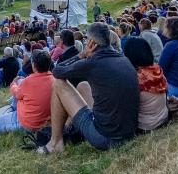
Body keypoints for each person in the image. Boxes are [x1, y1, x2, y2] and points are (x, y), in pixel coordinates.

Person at [39, 22, 139, 154]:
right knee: (83, 85)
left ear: (91, 42)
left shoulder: (93, 62)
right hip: (128, 133)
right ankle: (68, 128)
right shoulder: (123, 59)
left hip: (105, 137)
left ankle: (55, 143)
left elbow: (57, 71)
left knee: (58, 84)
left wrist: (82, 54)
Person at [123, 37, 168, 132]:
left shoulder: (135, 78)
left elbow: (127, 107)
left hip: (146, 126)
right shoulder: (157, 69)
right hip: (164, 118)